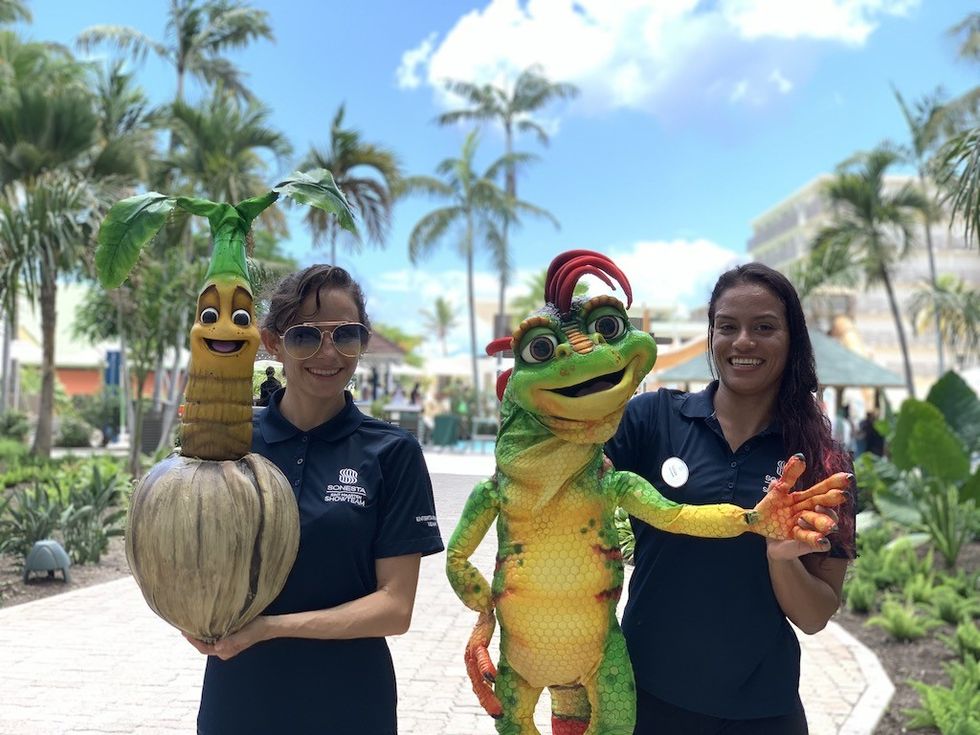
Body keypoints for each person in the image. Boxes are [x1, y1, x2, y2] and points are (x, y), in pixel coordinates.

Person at [187, 264, 445, 735]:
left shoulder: (391, 451)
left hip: (349, 704)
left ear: (362, 342)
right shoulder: (231, 439)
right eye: (306, 336)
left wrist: (271, 628)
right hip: (240, 698)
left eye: (345, 335)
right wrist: (188, 617)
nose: (328, 353)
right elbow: (186, 552)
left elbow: (395, 607)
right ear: (273, 343)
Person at [606, 262, 855, 735]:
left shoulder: (820, 460)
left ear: (792, 340)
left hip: (762, 708)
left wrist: (781, 557)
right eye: (728, 327)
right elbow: (566, 472)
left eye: (764, 327)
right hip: (645, 695)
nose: (743, 342)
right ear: (712, 335)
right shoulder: (653, 419)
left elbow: (815, 616)